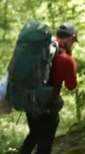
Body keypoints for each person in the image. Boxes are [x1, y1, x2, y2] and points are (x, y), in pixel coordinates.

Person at [19, 22, 78, 154]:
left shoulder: (40, 49)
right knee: (45, 142)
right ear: (71, 38)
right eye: (74, 41)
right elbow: (71, 86)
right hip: (46, 106)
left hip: (29, 99)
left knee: (34, 134)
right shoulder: (67, 60)